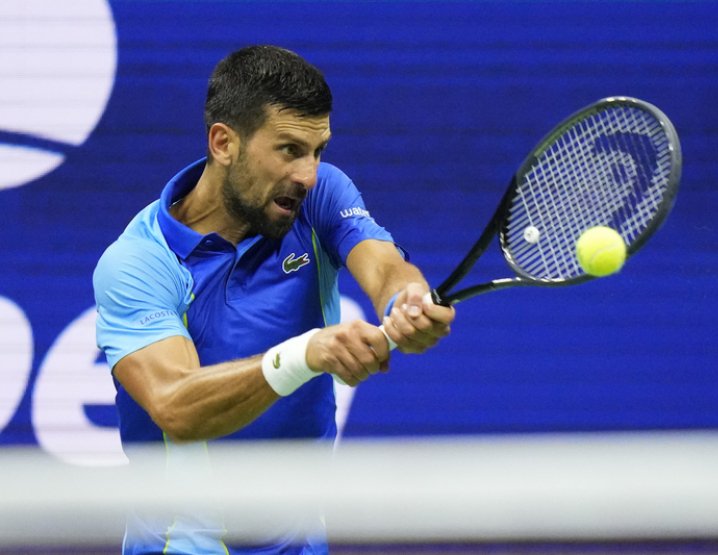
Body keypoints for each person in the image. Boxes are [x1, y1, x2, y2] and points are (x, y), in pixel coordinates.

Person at [93, 45, 455, 555]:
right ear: (224, 143)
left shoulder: (318, 196)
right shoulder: (139, 263)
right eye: (288, 149)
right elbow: (176, 405)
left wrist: (405, 300)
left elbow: (383, 266)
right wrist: (303, 356)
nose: (307, 173)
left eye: (318, 150)